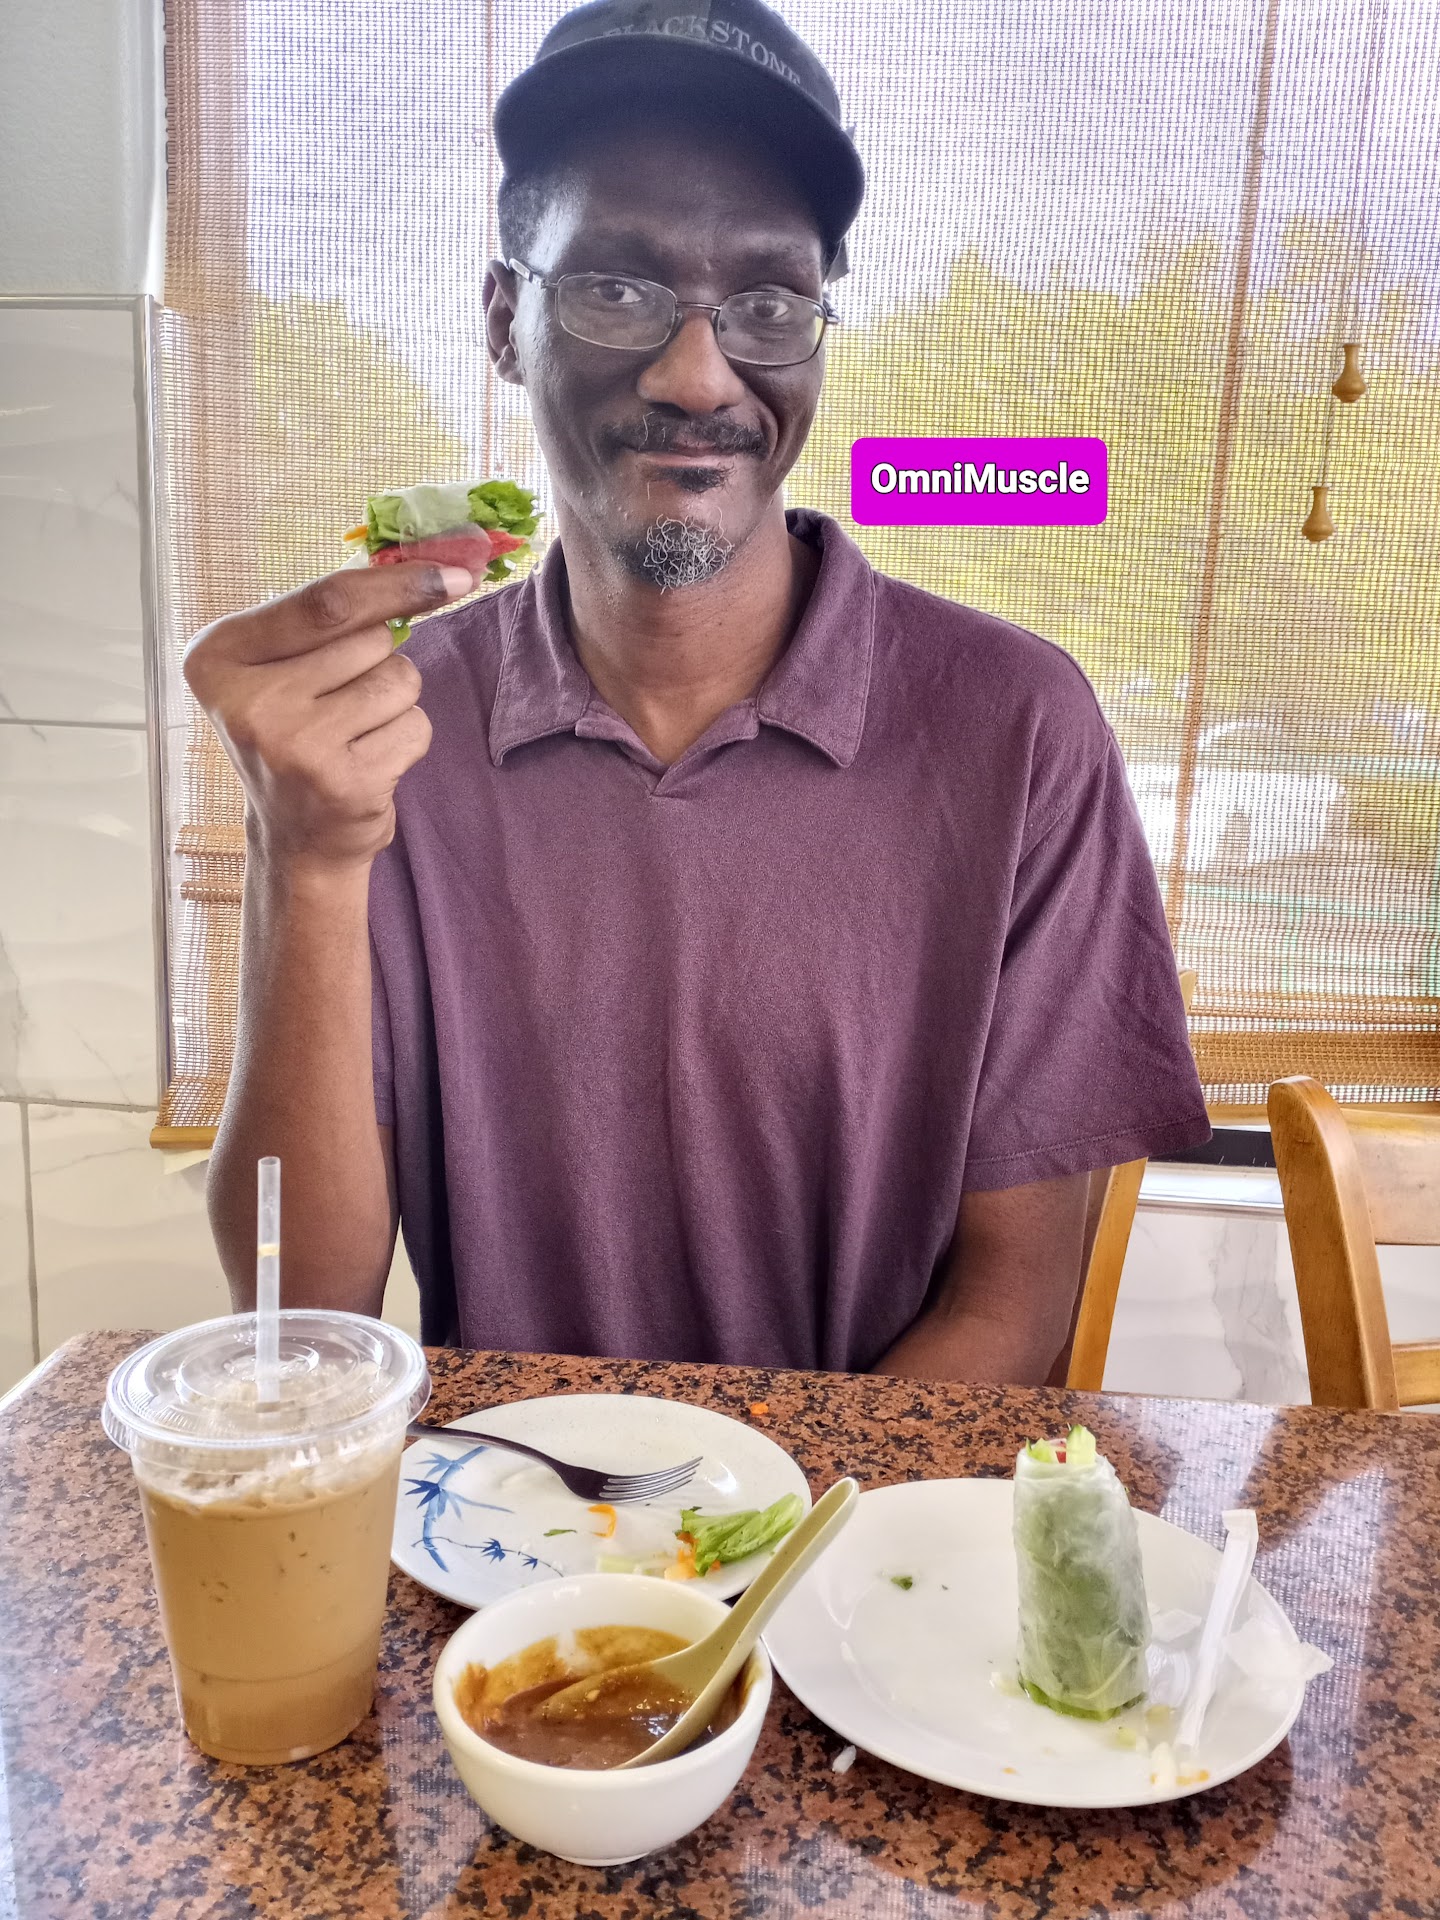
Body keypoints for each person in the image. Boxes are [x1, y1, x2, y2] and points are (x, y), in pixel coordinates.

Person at [185, 0, 1209, 1382]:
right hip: (497, 1498)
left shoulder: (1014, 726)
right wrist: (308, 858)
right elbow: (297, 1313)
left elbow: (1014, 1309)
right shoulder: (383, 734)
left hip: (856, 1507)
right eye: (616, 288)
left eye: (768, 304)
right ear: (505, 320)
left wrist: (768, 1526)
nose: (695, 374)